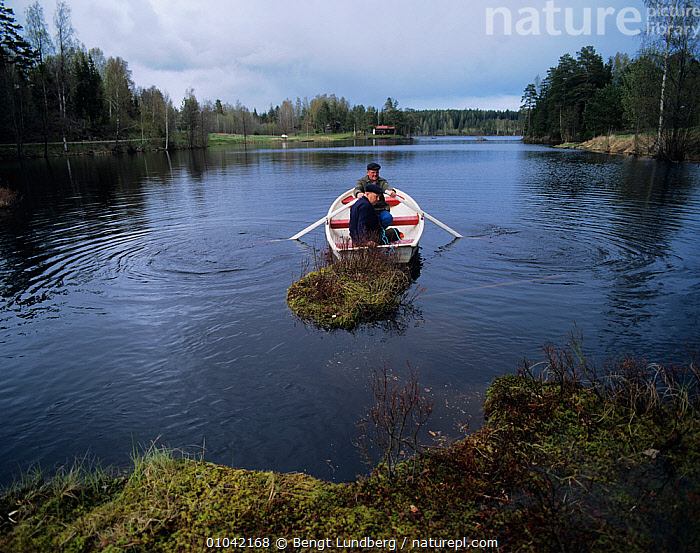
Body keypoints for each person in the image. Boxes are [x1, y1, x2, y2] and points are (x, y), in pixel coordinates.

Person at [353, 162, 396, 228]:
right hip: (367, 209)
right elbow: (357, 189)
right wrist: (359, 193)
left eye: (377, 172)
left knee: (388, 218)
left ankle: (379, 230)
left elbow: (386, 187)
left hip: (380, 209)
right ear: (368, 172)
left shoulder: (382, 181)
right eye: (373, 172)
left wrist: (391, 191)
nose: (375, 174)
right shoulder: (361, 181)